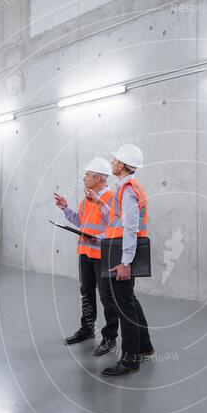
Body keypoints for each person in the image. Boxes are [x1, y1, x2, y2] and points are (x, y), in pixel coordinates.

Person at [93, 144, 154, 376]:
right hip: (122, 250)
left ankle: (130, 359)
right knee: (130, 301)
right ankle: (145, 345)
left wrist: (126, 262)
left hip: (123, 254)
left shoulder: (127, 189)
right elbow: (120, 221)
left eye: (114, 159)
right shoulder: (128, 187)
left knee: (124, 307)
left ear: (121, 165)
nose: (112, 162)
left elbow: (130, 227)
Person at [53, 157, 119, 356]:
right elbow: (80, 222)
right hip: (85, 253)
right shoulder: (85, 200)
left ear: (98, 178)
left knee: (107, 296)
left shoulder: (112, 199)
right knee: (86, 293)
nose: (84, 178)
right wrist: (65, 208)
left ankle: (109, 338)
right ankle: (87, 329)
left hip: (103, 256)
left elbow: (115, 226)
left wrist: (98, 238)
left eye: (87, 175)